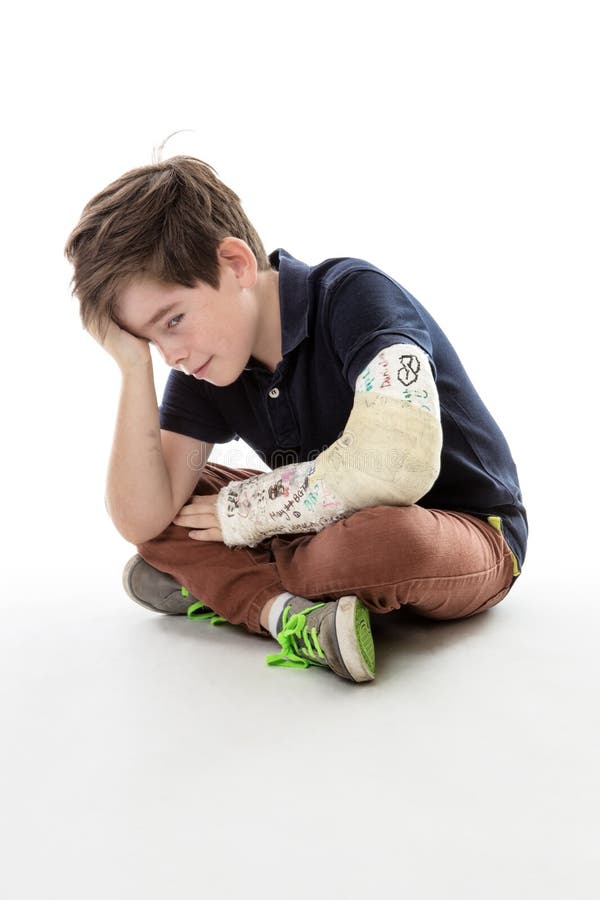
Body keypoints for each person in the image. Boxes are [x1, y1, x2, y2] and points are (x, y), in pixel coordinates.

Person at [64, 154, 528, 684]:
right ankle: (290, 615)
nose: (173, 355)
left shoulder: (354, 295)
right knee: (168, 508)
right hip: (325, 524)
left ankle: (221, 585)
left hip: (467, 532)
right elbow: (140, 516)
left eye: (173, 320)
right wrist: (131, 368)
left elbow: (398, 462)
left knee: (380, 541)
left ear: (236, 265)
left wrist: (246, 515)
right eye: (151, 339)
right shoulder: (206, 366)